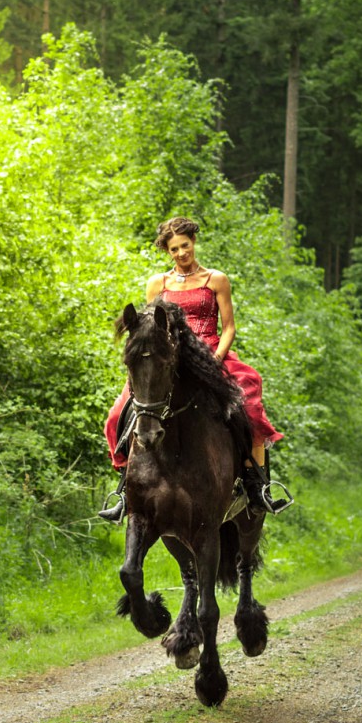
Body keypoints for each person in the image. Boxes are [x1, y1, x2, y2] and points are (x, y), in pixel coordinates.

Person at [98, 215, 290, 522]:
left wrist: (215, 358)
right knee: (116, 416)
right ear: (167, 251)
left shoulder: (216, 279)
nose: (181, 254)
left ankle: (258, 486)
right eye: (174, 249)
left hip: (211, 353)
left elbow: (229, 327)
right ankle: (125, 490)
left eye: (184, 246)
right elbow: (151, 328)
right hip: (168, 361)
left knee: (250, 406)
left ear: (194, 242)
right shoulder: (157, 283)